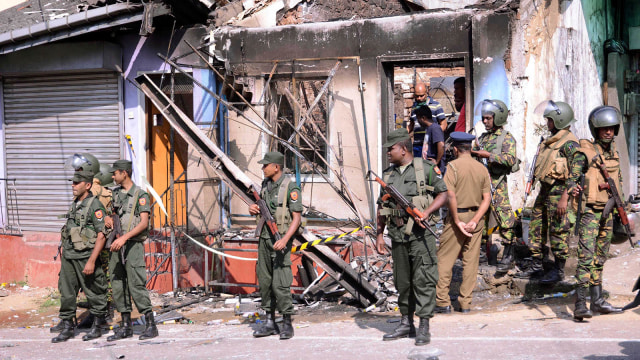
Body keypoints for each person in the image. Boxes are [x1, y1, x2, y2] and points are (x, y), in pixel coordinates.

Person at [376, 128, 448, 346]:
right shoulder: (388, 175)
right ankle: (407, 323)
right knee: (402, 281)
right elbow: (382, 207)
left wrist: (426, 212)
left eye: (392, 149)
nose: (388, 153)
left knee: (424, 279)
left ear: (404, 149)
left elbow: (443, 193)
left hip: (421, 236)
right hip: (398, 236)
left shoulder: (425, 169)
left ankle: (424, 325)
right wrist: (379, 234)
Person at [517, 101, 586, 283]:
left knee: (558, 230)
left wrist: (565, 197)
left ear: (559, 120)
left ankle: (559, 269)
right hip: (545, 189)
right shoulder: (551, 141)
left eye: (549, 120)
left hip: (560, 191)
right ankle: (537, 264)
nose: (547, 124)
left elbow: (576, 173)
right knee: (536, 226)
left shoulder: (569, 144)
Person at [572, 106, 625, 320]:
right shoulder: (586, 152)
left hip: (608, 212)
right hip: (590, 214)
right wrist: (572, 187)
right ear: (596, 130)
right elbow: (573, 175)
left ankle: (597, 301)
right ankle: (580, 304)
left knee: (600, 257)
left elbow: (618, 182)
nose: (608, 132)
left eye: (611, 128)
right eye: (604, 129)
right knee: (585, 258)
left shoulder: (614, 154)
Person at [435, 132, 491, 314]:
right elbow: (487, 199)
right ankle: (465, 304)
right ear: (471, 148)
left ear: (456, 149)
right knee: (470, 262)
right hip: (476, 219)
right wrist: (475, 221)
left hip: (456, 217)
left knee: (445, 260)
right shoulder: (482, 168)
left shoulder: (452, 167)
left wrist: (457, 221)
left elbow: (449, 195)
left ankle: (443, 302)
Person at [249, 151, 302, 340]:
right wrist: (253, 209)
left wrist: (285, 239)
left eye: (266, 165)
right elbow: (261, 208)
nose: (263, 168)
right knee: (265, 281)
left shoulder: (291, 186)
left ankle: (287, 322)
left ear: (276, 167)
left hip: (280, 240)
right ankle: (270, 321)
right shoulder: (265, 185)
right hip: (264, 239)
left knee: (281, 283)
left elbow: (297, 219)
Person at [51, 171, 108, 343]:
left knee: (94, 291)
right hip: (69, 255)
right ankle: (68, 327)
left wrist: (91, 261)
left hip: (85, 256)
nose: (73, 186)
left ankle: (97, 327)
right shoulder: (75, 203)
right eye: (73, 182)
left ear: (87, 185)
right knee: (67, 292)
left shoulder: (95, 205)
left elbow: (102, 235)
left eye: (77, 183)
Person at [104, 160, 158, 341]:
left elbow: (144, 223)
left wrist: (124, 238)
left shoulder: (140, 195)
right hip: (116, 244)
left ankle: (151, 325)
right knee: (118, 283)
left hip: (131, 244)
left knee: (136, 284)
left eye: (115, 173)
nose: (113, 176)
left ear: (124, 173)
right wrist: (107, 218)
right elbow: (111, 212)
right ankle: (125, 325)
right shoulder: (116, 194)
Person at [471, 100, 519, 271]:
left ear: (498, 118)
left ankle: (508, 254)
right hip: (481, 184)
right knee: (481, 218)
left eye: (488, 118)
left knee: (504, 217)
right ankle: (484, 254)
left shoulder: (506, 138)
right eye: (483, 118)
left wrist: (489, 155)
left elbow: (510, 159)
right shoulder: (482, 138)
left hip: (497, 184)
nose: (485, 122)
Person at [407, 83, 446, 157]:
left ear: (427, 92)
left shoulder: (436, 105)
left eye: (422, 96)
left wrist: (434, 135)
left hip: (431, 145)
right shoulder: (414, 107)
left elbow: (444, 124)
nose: (419, 98)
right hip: (418, 145)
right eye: (417, 96)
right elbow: (411, 125)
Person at [415, 105, 446, 174]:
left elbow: (441, 145)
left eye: (418, 119)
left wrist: (436, 162)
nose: (418, 122)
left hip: (435, 169)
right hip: (429, 167)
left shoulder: (435, 128)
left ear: (423, 118)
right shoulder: (429, 128)